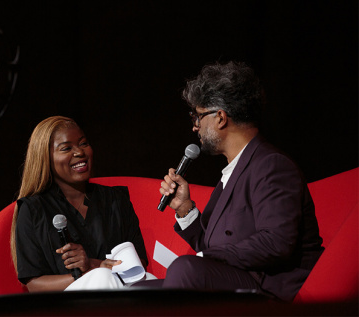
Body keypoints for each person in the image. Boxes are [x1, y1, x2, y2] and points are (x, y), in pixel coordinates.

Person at [136, 61, 324, 302]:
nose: (195, 127)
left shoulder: (271, 165)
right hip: (235, 280)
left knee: (185, 269)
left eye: (198, 116)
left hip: (268, 291)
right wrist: (185, 208)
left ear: (221, 118)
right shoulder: (234, 171)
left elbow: (277, 242)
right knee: (137, 294)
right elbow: (212, 246)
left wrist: (206, 258)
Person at [10, 116, 148, 292]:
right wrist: (87, 276)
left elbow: (138, 266)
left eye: (83, 144)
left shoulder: (115, 199)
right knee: (102, 277)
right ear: (46, 158)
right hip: (66, 305)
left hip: (124, 293)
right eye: (66, 148)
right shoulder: (34, 209)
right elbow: (34, 285)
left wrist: (92, 264)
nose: (79, 152)